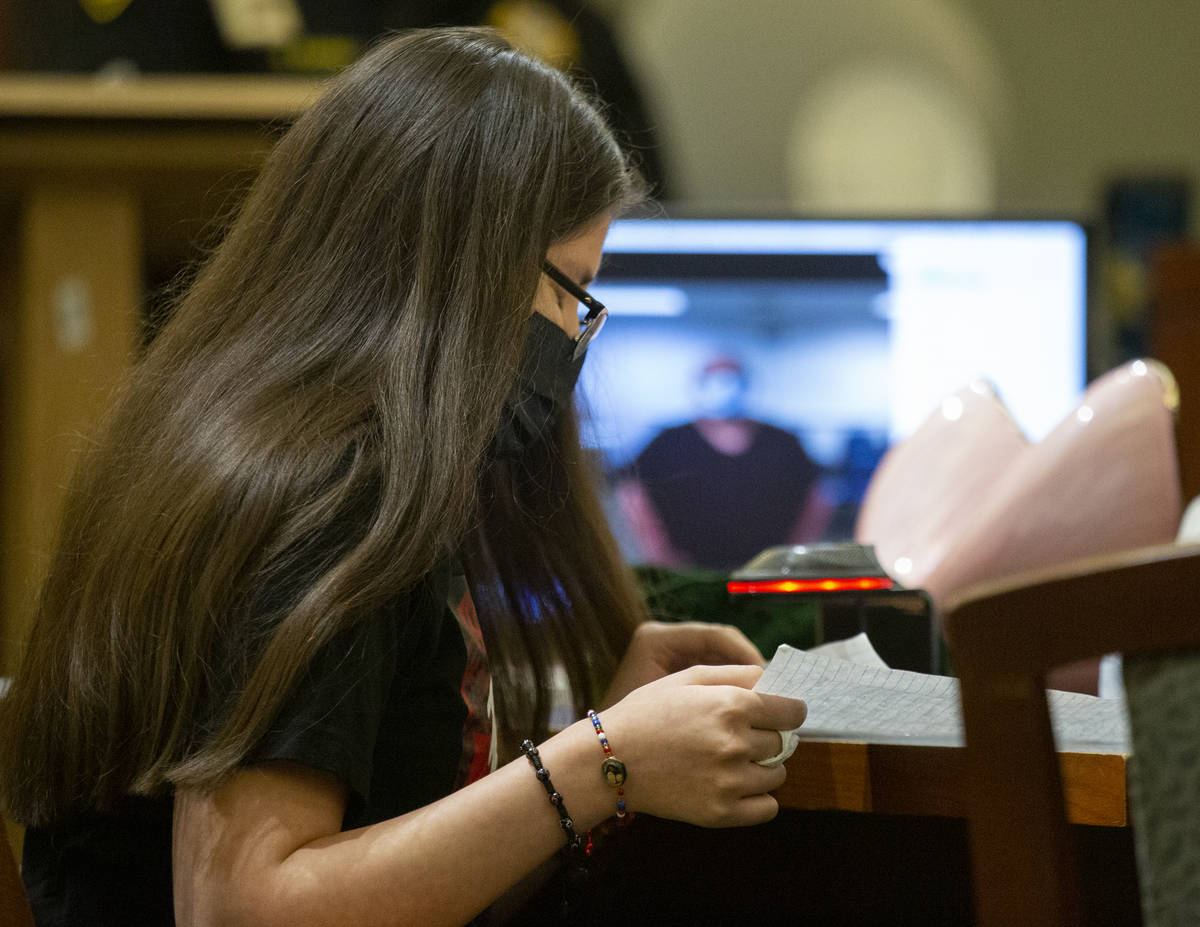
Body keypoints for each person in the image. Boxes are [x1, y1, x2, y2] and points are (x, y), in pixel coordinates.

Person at [0, 28, 806, 927]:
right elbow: (238, 905)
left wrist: (606, 736)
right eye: (568, 290)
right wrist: (599, 761)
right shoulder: (333, 494)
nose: (575, 336)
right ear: (468, 264)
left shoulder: (266, 446)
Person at [617, 355, 832, 570]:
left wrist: (793, 554)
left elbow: (819, 496)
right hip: (691, 573)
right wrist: (659, 553)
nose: (724, 389)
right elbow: (632, 492)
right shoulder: (669, 442)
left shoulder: (783, 443)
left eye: (731, 380)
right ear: (699, 386)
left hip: (766, 573)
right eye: (716, 381)